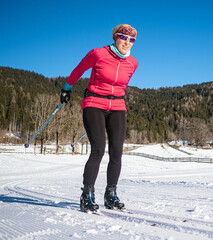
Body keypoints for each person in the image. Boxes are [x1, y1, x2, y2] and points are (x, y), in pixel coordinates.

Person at [60, 24, 138, 212]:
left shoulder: (133, 63)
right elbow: (79, 70)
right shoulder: (98, 54)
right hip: (94, 103)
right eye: (123, 37)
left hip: (118, 106)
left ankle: (111, 195)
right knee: (98, 150)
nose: (127, 42)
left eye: (132, 39)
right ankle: (87, 195)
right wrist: (66, 88)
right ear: (115, 37)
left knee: (117, 152)